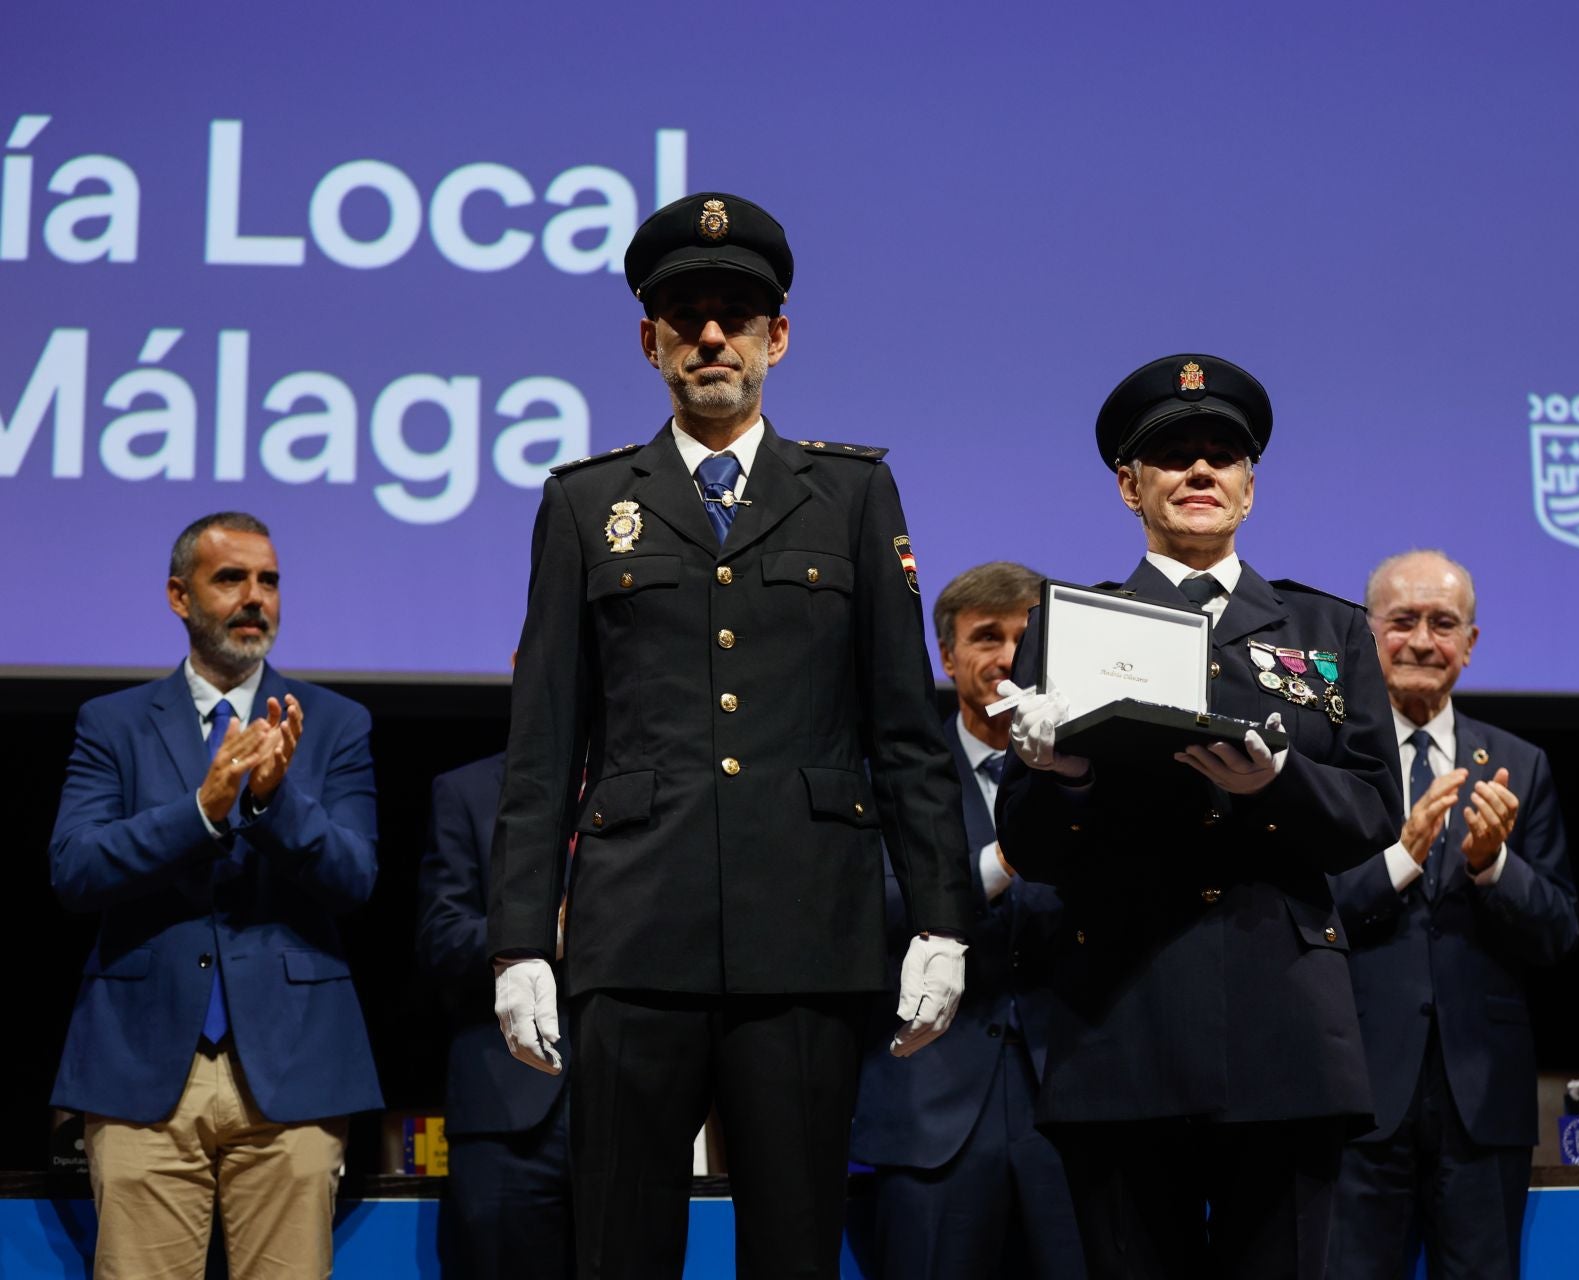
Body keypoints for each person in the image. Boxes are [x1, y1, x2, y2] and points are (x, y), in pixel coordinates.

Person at [486, 191, 975, 1279]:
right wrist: (522, 937)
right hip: (634, 930)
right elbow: (544, 740)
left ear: (777, 338)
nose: (713, 335)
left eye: (738, 315)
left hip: (806, 928)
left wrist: (941, 917)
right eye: (688, 314)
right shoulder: (583, 502)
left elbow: (904, 725)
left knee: (795, 1246)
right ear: (649, 339)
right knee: (619, 1246)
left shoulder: (850, 493)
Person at [994, 354, 1401, 1279]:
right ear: (1129, 486)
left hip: (1285, 1029)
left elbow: (1377, 809)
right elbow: (1028, 844)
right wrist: (1064, 778)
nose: (1201, 472)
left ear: (1251, 489)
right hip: (1124, 1022)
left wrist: (1277, 786)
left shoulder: (1327, 632)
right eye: (1174, 456)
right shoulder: (1071, 625)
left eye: (1223, 455)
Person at [47, 511, 382, 1279]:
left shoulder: (333, 724)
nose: (254, 597)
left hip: (294, 1067)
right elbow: (75, 869)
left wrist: (272, 804)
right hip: (142, 1066)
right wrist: (204, 809)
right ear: (179, 596)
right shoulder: (114, 724)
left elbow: (355, 877)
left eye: (268, 580)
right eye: (230, 579)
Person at [1325, 550, 1579, 1279]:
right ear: (1368, 637)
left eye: (1443, 624)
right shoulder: (1331, 759)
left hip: (1485, 1098)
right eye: (1402, 621)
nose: (1422, 641)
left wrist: (1493, 865)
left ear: (1470, 645)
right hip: (1358, 1095)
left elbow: (1559, 930)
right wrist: (1401, 859)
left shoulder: (1518, 765)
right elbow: (1305, 918)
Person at [850, 561, 1085, 1280]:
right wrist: (1000, 863)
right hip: (928, 1121)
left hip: (1074, 1113)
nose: (1010, 657)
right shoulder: (880, 778)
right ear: (947, 657)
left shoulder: (1096, 778)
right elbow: (862, 912)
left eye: (1028, 636)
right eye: (988, 637)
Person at [417, 744, 572, 1280]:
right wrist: (546, 933)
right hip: (505, 1107)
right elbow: (440, 937)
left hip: (635, 1097)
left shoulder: (665, 781)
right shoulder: (466, 790)